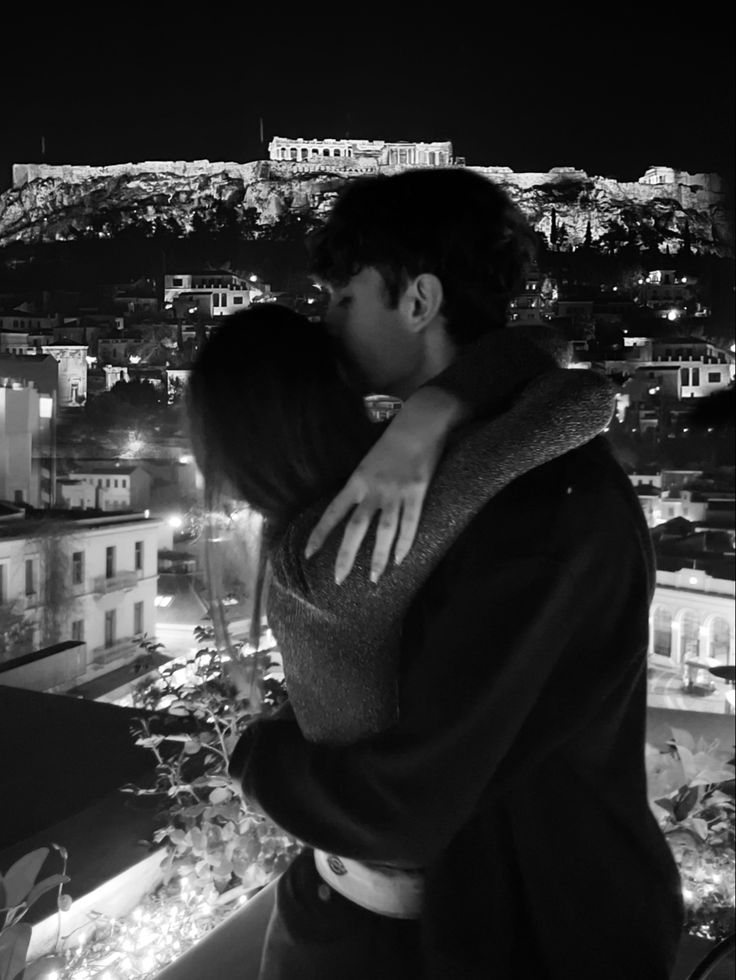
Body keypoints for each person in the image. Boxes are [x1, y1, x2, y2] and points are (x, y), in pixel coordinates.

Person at [190, 168, 684, 979]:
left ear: (418, 302)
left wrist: (258, 759)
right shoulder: (463, 466)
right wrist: (439, 405)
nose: (328, 323)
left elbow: (401, 804)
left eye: (345, 297)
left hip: (532, 932)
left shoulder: (538, 505)